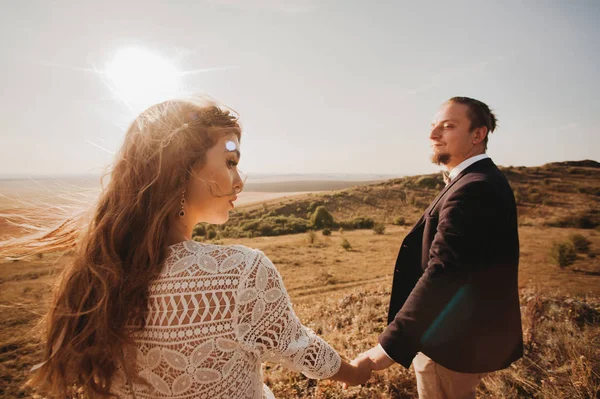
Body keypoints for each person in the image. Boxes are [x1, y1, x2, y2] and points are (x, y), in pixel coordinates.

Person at [2, 97, 370, 398]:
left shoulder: (99, 273)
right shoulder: (241, 272)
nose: (239, 181)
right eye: (230, 162)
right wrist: (356, 372)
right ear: (182, 169)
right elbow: (300, 348)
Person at [355, 97, 523, 398]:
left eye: (447, 126)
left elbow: (445, 273)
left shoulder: (474, 188)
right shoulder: (480, 180)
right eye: (433, 126)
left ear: (477, 134)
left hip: (449, 343)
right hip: (461, 337)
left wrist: (387, 348)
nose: (433, 135)